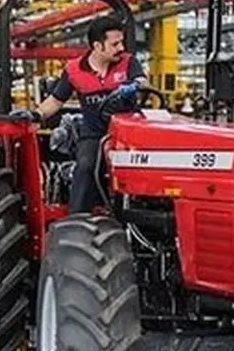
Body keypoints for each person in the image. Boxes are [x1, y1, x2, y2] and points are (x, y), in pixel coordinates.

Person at [13, 16, 148, 214]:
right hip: (95, 134)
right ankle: (76, 218)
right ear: (97, 46)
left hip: (128, 135)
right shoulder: (74, 70)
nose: (121, 48)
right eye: (115, 44)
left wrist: (135, 85)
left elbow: (143, 81)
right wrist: (37, 114)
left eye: (122, 42)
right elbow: (56, 100)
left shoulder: (129, 62)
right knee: (85, 168)